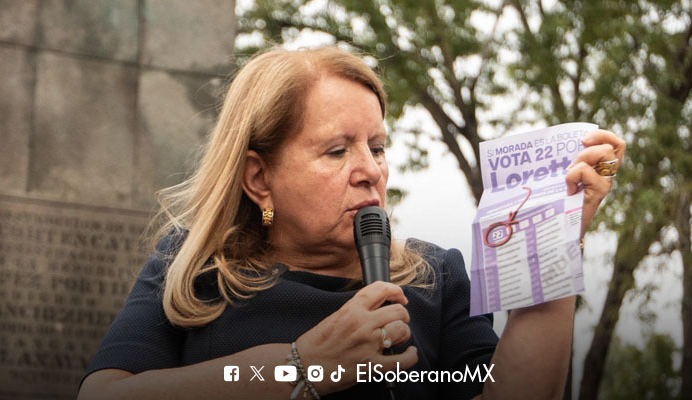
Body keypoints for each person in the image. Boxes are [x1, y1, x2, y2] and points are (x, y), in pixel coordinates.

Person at [78, 46, 626, 400]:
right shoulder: (193, 269)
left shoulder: (436, 277)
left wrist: (553, 249)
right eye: (337, 151)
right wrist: (303, 367)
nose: (370, 171)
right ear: (259, 178)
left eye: (377, 147)